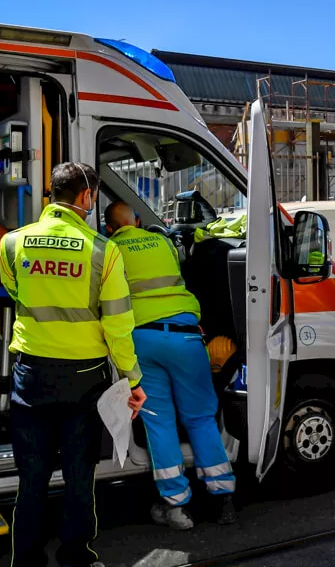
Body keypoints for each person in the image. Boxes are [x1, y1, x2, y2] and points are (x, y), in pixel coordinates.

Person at [0, 163, 147, 567]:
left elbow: (16, 290)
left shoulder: (13, 243)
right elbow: (118, 326)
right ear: (86, 197)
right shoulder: (104, 251)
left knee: (31, 478)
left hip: (31, 376)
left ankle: (25, 560)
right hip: (84, 380)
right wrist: (132, 378)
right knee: (79, 476)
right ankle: (76, 557)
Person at [104, 201, 237, 531]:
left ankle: (177, 507)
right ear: (136, 219)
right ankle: (223, 500)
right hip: (185, 337)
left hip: (142, 340)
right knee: (201, 418)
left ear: (109, 228)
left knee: (158, 422)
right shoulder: (163, 241)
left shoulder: (108, 249)